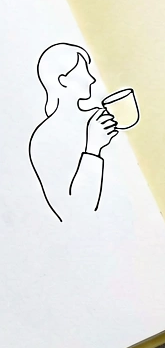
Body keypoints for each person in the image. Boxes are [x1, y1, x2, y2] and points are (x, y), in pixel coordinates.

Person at [29, 44, 118, 223]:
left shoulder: (96, 117)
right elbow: (74, 212)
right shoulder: (44, 138)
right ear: (63, 80)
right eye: (84, 70)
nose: (92, 79)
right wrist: (93, 149)